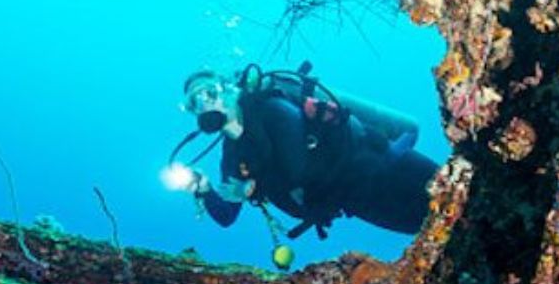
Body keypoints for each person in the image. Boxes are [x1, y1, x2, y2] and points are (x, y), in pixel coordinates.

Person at [170, 64, 439, 241]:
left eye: (209, 92)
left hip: (383, 163)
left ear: (228, 89)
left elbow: (298, 167)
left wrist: (251, 189)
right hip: (358, 200)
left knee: (462, 196)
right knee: (437, 236)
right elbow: (227, 216)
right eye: (195, 101)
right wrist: (203, 189)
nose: (205, 103)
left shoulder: (272, 109)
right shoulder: (233, 156)